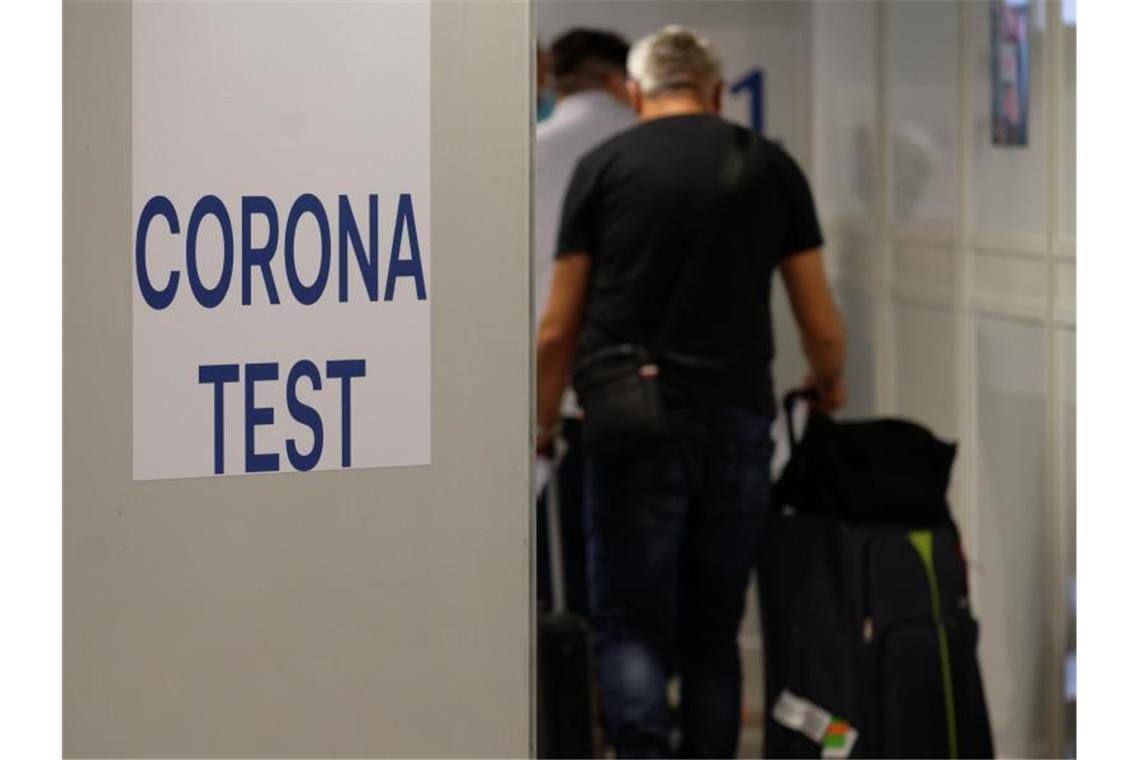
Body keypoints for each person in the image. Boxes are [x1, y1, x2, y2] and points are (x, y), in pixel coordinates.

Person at [535, 25, 847, 758]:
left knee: (629, 623)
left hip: (628, 419)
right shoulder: (768, 166)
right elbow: (819, 320)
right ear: (715, 91)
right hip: (738, 419)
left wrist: (544, 422)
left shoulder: (603, 166)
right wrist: (825, 382)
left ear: (635, 92)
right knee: (712, 629)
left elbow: (558, 325)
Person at [534, 28, 636, 617]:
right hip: (645, 394)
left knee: (562, 578)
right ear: (619, 78)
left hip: (558, 391)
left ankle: (574, 699)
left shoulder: (533, 148)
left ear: (557, 78)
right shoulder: (645, 144)